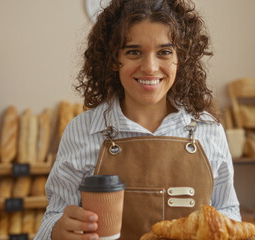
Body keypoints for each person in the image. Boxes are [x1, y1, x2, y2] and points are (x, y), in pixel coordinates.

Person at [35, 0, 240, 239]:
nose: (150, 67)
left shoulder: (209, 129)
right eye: (133, 52)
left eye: (164, 52)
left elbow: (229, 212)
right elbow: (51, 219)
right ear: (113, 59)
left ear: (181, 58)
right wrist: (57, 230)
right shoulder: (81, 131)